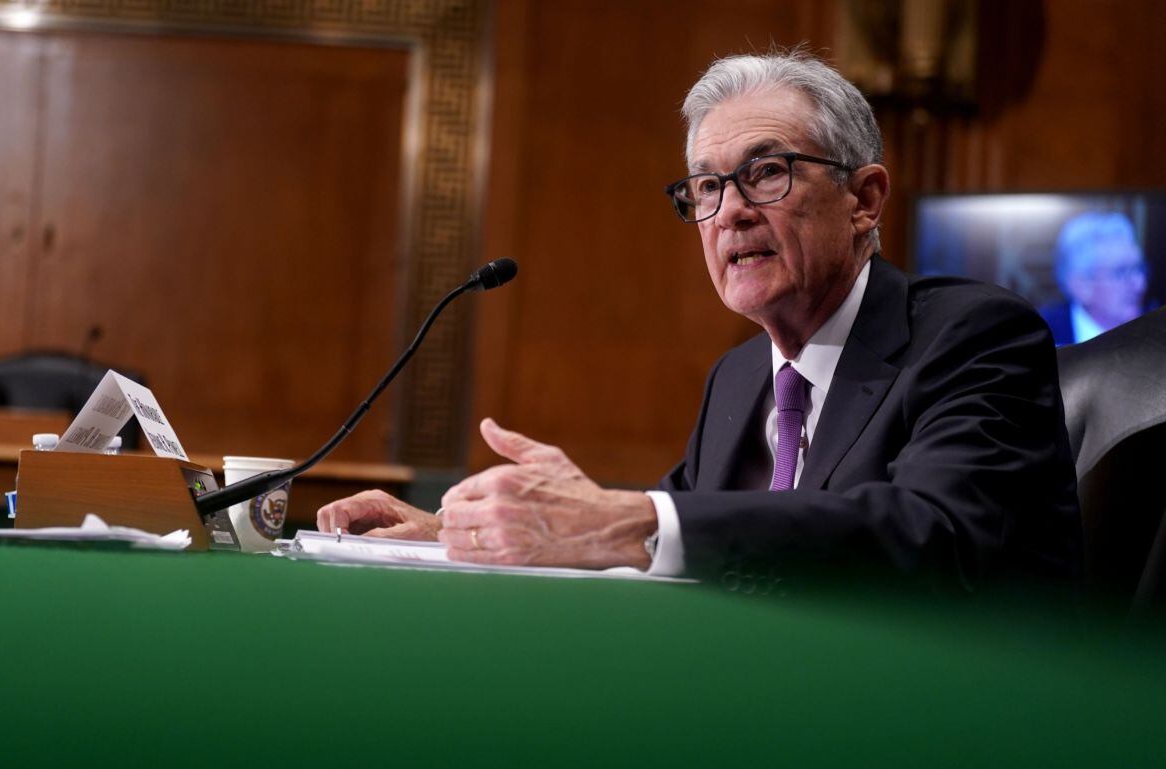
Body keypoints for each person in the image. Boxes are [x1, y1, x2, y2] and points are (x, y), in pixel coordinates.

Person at [318, 51, 1081, 592]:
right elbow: (673, 534)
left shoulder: (975, 335)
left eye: (767, 171)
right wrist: (458, 534)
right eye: (707, 188)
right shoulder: (740, 379)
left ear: (866, 199)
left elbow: (930, 536)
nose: (730, 213)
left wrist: (620, 520)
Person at [1040, 211, 1149, 346]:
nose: (1140, 284)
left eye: (1138, 269)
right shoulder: (1040, 336)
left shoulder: (1157, 332)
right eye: (1121, 272)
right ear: (1081, 286)